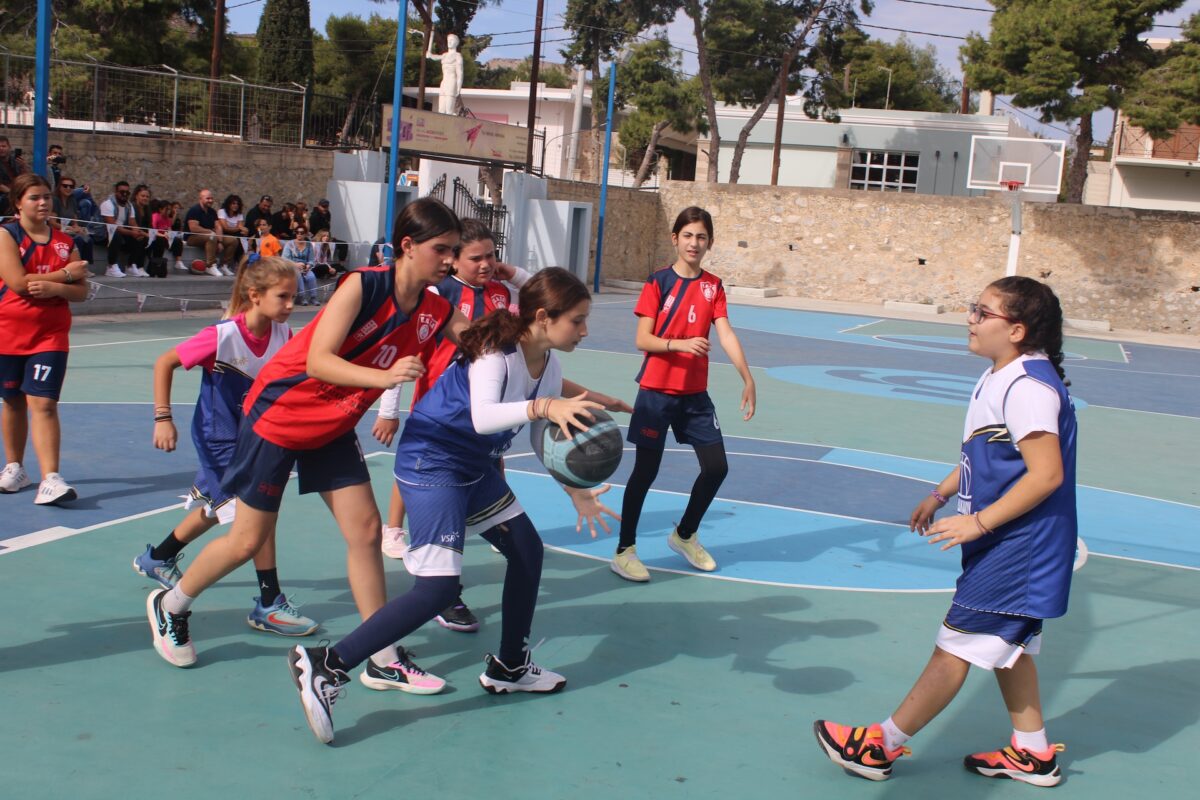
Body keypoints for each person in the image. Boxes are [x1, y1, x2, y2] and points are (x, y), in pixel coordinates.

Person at [287, 267, 630, 745]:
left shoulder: (547, 364)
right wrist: (545, 407)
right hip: (433, 462)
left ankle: (511, 665)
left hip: (473, 466)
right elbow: (485, 416)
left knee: (527, 551)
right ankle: (326, 664)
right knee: (437, 589)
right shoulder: (495, 354)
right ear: (543, 317)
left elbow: (541, 433)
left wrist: (573, 488)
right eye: (577, 320)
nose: (585, 330)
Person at [144, 197, 470, 678]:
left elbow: (485, 345)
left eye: (455, 251)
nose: (450, 260)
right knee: (246, 540)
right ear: (407, 245)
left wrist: (540, 341)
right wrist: (382, 379)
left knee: (366, 531)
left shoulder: (436, 309)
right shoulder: (364, 286)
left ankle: (381, 657)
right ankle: (171, 604)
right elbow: (318, 360)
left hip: (332, 425)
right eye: (442, 249)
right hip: (280, 415)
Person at [814, 276, 1078, 787]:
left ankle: (879, 746)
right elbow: (989, 452)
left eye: (983, 312)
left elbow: (1046, 475)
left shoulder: (1028, 388)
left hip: (1019, 548)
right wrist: (939, 495)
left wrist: (978, 521)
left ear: (1017, 330)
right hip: (1010, 542)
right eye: (973, 308)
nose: (970, 319)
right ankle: (1033, 752)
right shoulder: (1003, 374)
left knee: (954, 645)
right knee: (1008, 648)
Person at [132, 255, 317, 636]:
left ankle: (159, 557)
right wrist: (163, 418)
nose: (290, 305)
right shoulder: (222, 335)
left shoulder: (283, 334)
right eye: (283, 297)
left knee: (219, 509)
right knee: (257, 519)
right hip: (219, 439)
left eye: (294, 297)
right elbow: (164, 362)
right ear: (255, 295)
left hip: (256, 437)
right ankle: (269, 602)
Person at [373, 219, 535, 633]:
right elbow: (406, 349)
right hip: (440, 414)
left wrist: (512, 271)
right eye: (475, 257)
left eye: (491, 256)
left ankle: (453, 570)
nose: (486, 264)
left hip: (484, 416)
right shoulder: (439, 294)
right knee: (429, 486)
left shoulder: (499, 291)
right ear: (454, 260)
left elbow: (542, 295)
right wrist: (388, 408)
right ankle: (412, 550)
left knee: (486, 478)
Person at [611, 206, 756, 582]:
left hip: (694, 396)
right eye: (688, 235)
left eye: (701, 237)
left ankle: (685, 534)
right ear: (675, 238)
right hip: (656, 392)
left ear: (710, 243)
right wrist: (679, 344)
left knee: (717, 468)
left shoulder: (713, 286)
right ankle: (624, 550)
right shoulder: (658, 282)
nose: (694, 243)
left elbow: (725, 332)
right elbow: (642, 339)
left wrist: (747, 377)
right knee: (646, 472)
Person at [0, 174, 90, 503]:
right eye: (34, 197)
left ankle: (50, 478)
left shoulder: (66, 241)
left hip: (49, 336)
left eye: (46, 197)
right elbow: (18, 283)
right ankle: (15, 468)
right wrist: (63, 276)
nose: (42, 203)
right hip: (7, 333)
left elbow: (82, 291)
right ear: (18, 203)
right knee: (12, 401)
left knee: (44, 403)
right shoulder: (6, 235)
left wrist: (55, 287)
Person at [185, 188, 238, 277]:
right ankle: (210, 265)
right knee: (211, 236)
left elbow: (218, 226)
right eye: (208, 198)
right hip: (192, 237)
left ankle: (224, 265)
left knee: (233, 240)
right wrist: (210, 232)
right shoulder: (194, 210)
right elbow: (193, 228)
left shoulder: (212, 211)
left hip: (211, 237)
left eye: (211, 198)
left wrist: (220, 241)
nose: (210, 200)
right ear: (201, 199)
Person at [100, 181, 147, 277]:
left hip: (121, 233)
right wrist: (132, 233)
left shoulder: (129, 206)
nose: (125, 194)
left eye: (127, 192)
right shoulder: (108, 204)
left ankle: (130, 265)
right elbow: (113, 226)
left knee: (140, 237)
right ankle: (111, 266)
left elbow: (133, 223)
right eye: (122, 192)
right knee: (115, 233)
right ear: (116, 192)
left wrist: (138, 232)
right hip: (103, 233)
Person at [50, 175, 94, 265]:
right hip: (58, 230)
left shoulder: (72, 199)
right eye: (65, 186)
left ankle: (85, 266)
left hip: (69, 230)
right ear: (59, 187)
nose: (68, 188)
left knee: (88, 239)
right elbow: (52, 222)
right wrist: (70, 228)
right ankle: (76, 265)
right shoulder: (55, 200)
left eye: (71, 186)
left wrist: (77, 227)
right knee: (78, 240)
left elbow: (74, 219)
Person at [426, 33, 464, 115]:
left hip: (452, 82)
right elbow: (435, 57)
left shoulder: (457, 56)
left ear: (456, 43)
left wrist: (458, 88)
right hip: (444, 83)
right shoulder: (444, 55)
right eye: (448, 40)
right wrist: (430, 55)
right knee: (441, 110)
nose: (449, 42)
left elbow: (460, 74)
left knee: (449, 110)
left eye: (451, 40)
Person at [281, 224, 318, 305]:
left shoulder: (309, 245)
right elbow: (284, 259)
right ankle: (302, 297)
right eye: (297, 232)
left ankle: (313, 297)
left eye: (302, 233)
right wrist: (295, 264)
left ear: (305, 234)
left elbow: (311, 259)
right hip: (292, 267)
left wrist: (308, 265)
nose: (299, 234)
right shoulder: (290, 244)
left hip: (304, 267)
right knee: (298, 275)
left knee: (311, 276)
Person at [217, 194, 250, 272]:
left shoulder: (239, 214)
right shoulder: (222, 211)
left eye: (237, 204)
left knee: (242, 237)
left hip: (235, 234)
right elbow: (225, 227)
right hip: (223, 233)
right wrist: (239, 228)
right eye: (233, 203)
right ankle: (233, 263)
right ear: (228, 204)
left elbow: (241, 228)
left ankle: (239, 262)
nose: (236, 205)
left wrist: (245, 230)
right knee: (238, 239)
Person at [0, 136, 27, 217]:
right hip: (5, 195)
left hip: (16, 192)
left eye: (3, 146)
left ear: (9, 147)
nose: (1, 148)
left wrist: (23, 167)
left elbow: (25, 179)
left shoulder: (15, 162)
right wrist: (13, 193)